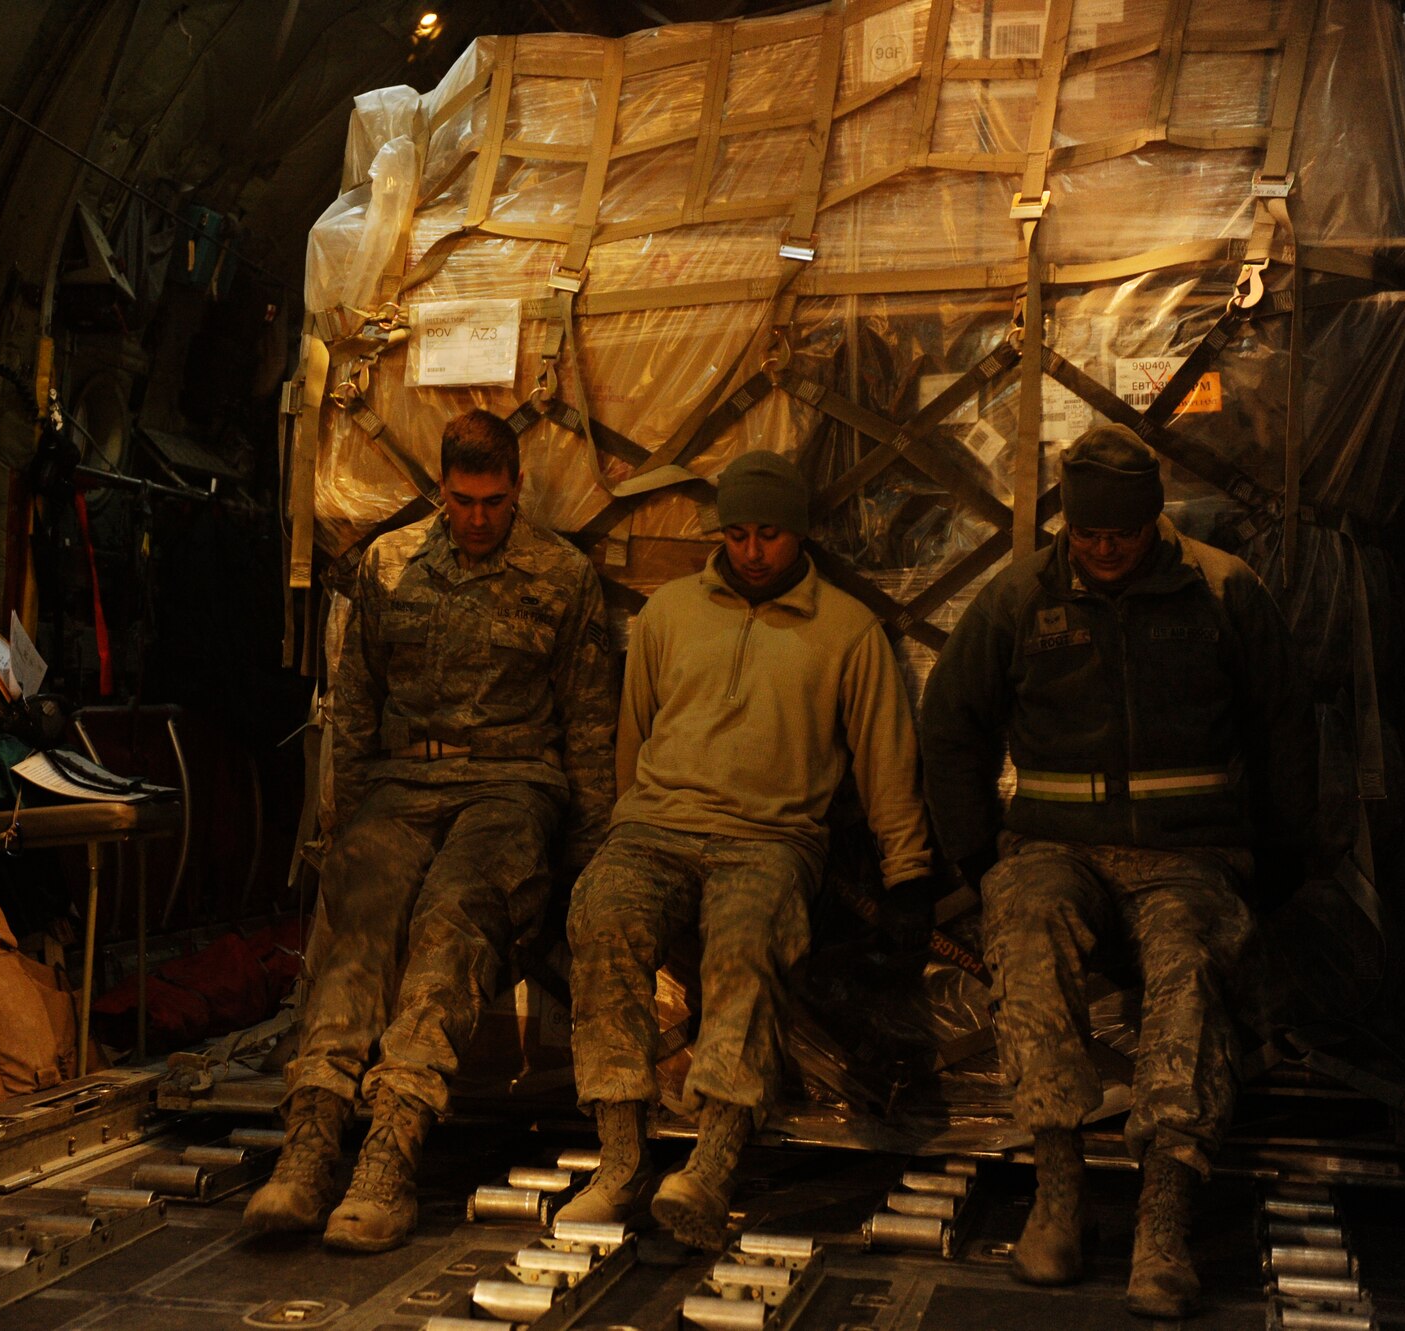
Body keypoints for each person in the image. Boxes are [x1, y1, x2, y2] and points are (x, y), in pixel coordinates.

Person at [919, 425, 1316, 1318]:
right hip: (1055, 846)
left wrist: (1278, 862)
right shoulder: (1020, 599)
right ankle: (1059, 1192)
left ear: (1154, 521)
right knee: (1021, 924)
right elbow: (952, 724)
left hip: (1190, 851)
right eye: (1088, 535)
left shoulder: (1221, 592)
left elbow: (1286, 729)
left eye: (1122, 535)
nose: (1104, 551)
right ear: (1069, 524)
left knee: (1190, 958)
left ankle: (1163, 1220)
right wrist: (980, 856)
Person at [243, 408, 616, 1252]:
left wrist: (588, 860)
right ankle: (309, 1142)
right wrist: (344, 826)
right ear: (440, 489)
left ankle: (390, 1151)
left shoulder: (561, 577)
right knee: (360, 913)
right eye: (461, 499)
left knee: (453, 919)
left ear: (517, 487)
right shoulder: (389, 564)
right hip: (403, 782)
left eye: (492, 500)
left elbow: (589, 727)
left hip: (512, 785)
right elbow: (359, 707)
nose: (477, 517)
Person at [561, 449, 940, 1250]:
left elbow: (885, 761)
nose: (752, 550)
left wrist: (908, 875)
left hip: (770, 837)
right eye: (737, 533)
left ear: (796, 533)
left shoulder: (846, 630)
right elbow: (635, 736)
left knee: (748, 937)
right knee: (601, 914)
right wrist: (623, 827)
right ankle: (622, 1156)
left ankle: (713, 1158)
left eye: (769, 533)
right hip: (657, 824)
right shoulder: (667, 613)